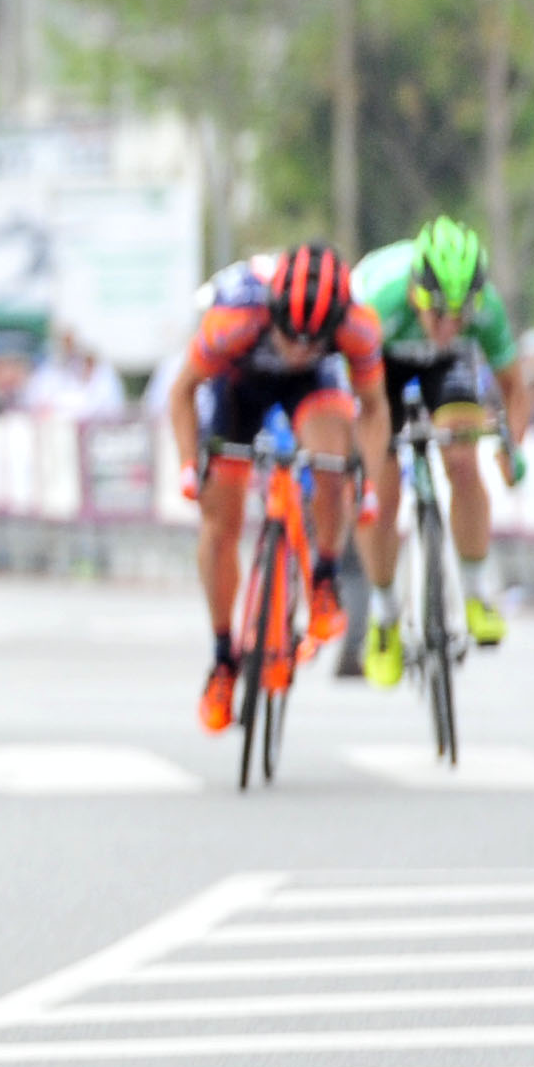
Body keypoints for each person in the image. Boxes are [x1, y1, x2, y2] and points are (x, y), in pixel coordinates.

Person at [168, 243, 389, 733]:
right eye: (291, 336)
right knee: (220, 521)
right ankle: (224, 657)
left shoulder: (357, 326)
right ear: (272, 312)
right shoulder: (234, 316)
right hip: (238, 384)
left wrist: (366, 481)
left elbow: (373, 409)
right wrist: (189, 466)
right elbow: (182, 393)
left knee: (333, 464)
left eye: (315, 340)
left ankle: (325, 575)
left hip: (312, 388)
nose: (300, 348)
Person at [351, 216, 527, 683]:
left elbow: (514, 388)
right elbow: (355, 398)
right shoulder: (376, 301)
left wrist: (512, 448)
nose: (449, 326)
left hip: (445, 372)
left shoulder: (485, 308)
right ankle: (383, 616)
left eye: (460, 316)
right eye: (438, 315)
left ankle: (475, 592)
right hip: (380, 369)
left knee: (464, 462)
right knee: (381, 496)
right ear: (415, 294)